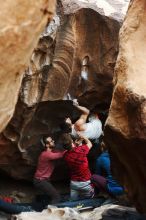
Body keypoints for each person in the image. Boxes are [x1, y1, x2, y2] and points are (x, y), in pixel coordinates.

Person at [33, 136, 66, 204]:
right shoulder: (46, 154)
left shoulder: (49, 152)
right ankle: (50, 211)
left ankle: (44, 204)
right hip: (40, 181)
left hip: (43, 180)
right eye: (51, 141)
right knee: (57, 197)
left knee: (50, 195)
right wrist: (72, 147)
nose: (53, 141)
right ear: (47, 145)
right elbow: (61, 154)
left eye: (52, 140)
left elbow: (58, 149)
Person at [63, 134, 94, 201]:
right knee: (89, 201)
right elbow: (90, 144)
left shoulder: (65, 156)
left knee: (73, 203)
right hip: (86, 183)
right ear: (72, 141)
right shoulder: (81, 149)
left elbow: (71, 151)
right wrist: (84, 137)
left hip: (74, 184)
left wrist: (75, 145)